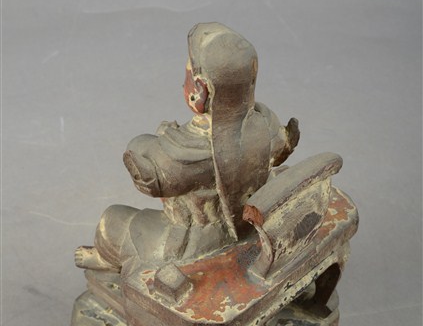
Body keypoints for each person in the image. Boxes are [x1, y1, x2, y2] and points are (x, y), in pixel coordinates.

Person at [75, 23, 299, 273]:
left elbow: (146, 164)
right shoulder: (266, 123)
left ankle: (106, 261)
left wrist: (161, 136)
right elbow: (282, 147)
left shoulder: (184, 150)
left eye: (187, 77)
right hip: (250, 223)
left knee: (113, 220)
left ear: (199, 92)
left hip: (194, 238)